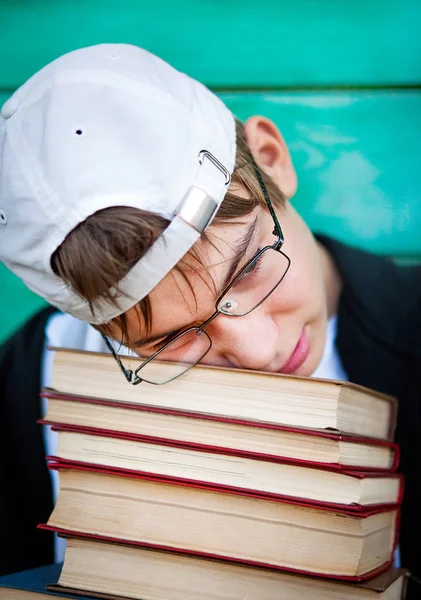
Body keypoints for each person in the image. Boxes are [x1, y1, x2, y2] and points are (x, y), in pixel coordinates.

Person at [0, 44, 420, 596]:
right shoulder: (23, 389)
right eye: (168, 339)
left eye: (247, 269)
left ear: (270, 158)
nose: (256, 352)